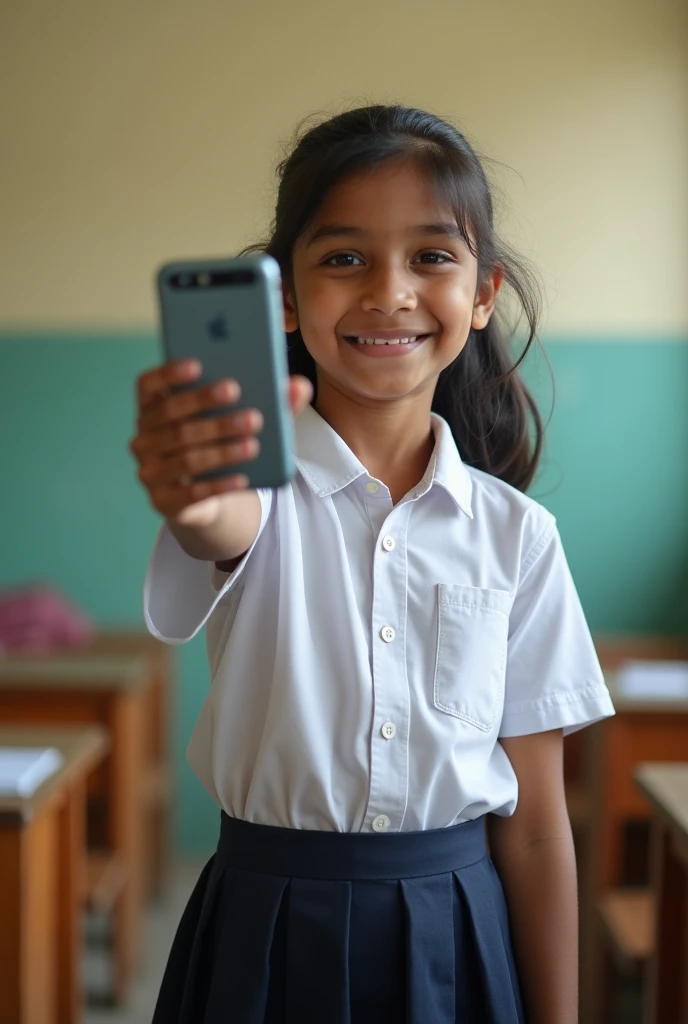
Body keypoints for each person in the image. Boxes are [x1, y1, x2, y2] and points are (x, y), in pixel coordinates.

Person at [131, 105, 615, 1024]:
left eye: (432, 256)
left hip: (456, 931)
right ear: (283, 294)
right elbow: (214, 524)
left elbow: (542, 830)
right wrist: (191, 483)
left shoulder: (518, 536)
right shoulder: (253, 494)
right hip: (264, 930)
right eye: (343, 257)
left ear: (482, 294)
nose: (389, 291)